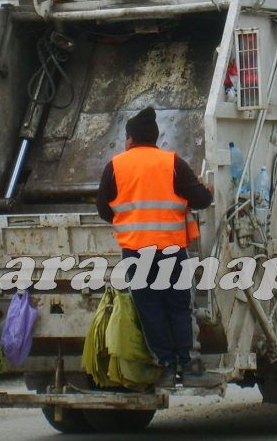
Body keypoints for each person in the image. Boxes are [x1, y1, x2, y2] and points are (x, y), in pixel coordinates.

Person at [96, 106, 220, 388]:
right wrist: (207, 192)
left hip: (135, 253)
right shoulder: (173, 163)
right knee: (179, 307)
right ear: (155, 138)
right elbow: (200, 200)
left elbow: (104, 210)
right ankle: (189, 366)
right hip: (170, 251)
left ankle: (164, 366)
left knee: (150, 309)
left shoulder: (115, 167)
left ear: (130, 139)